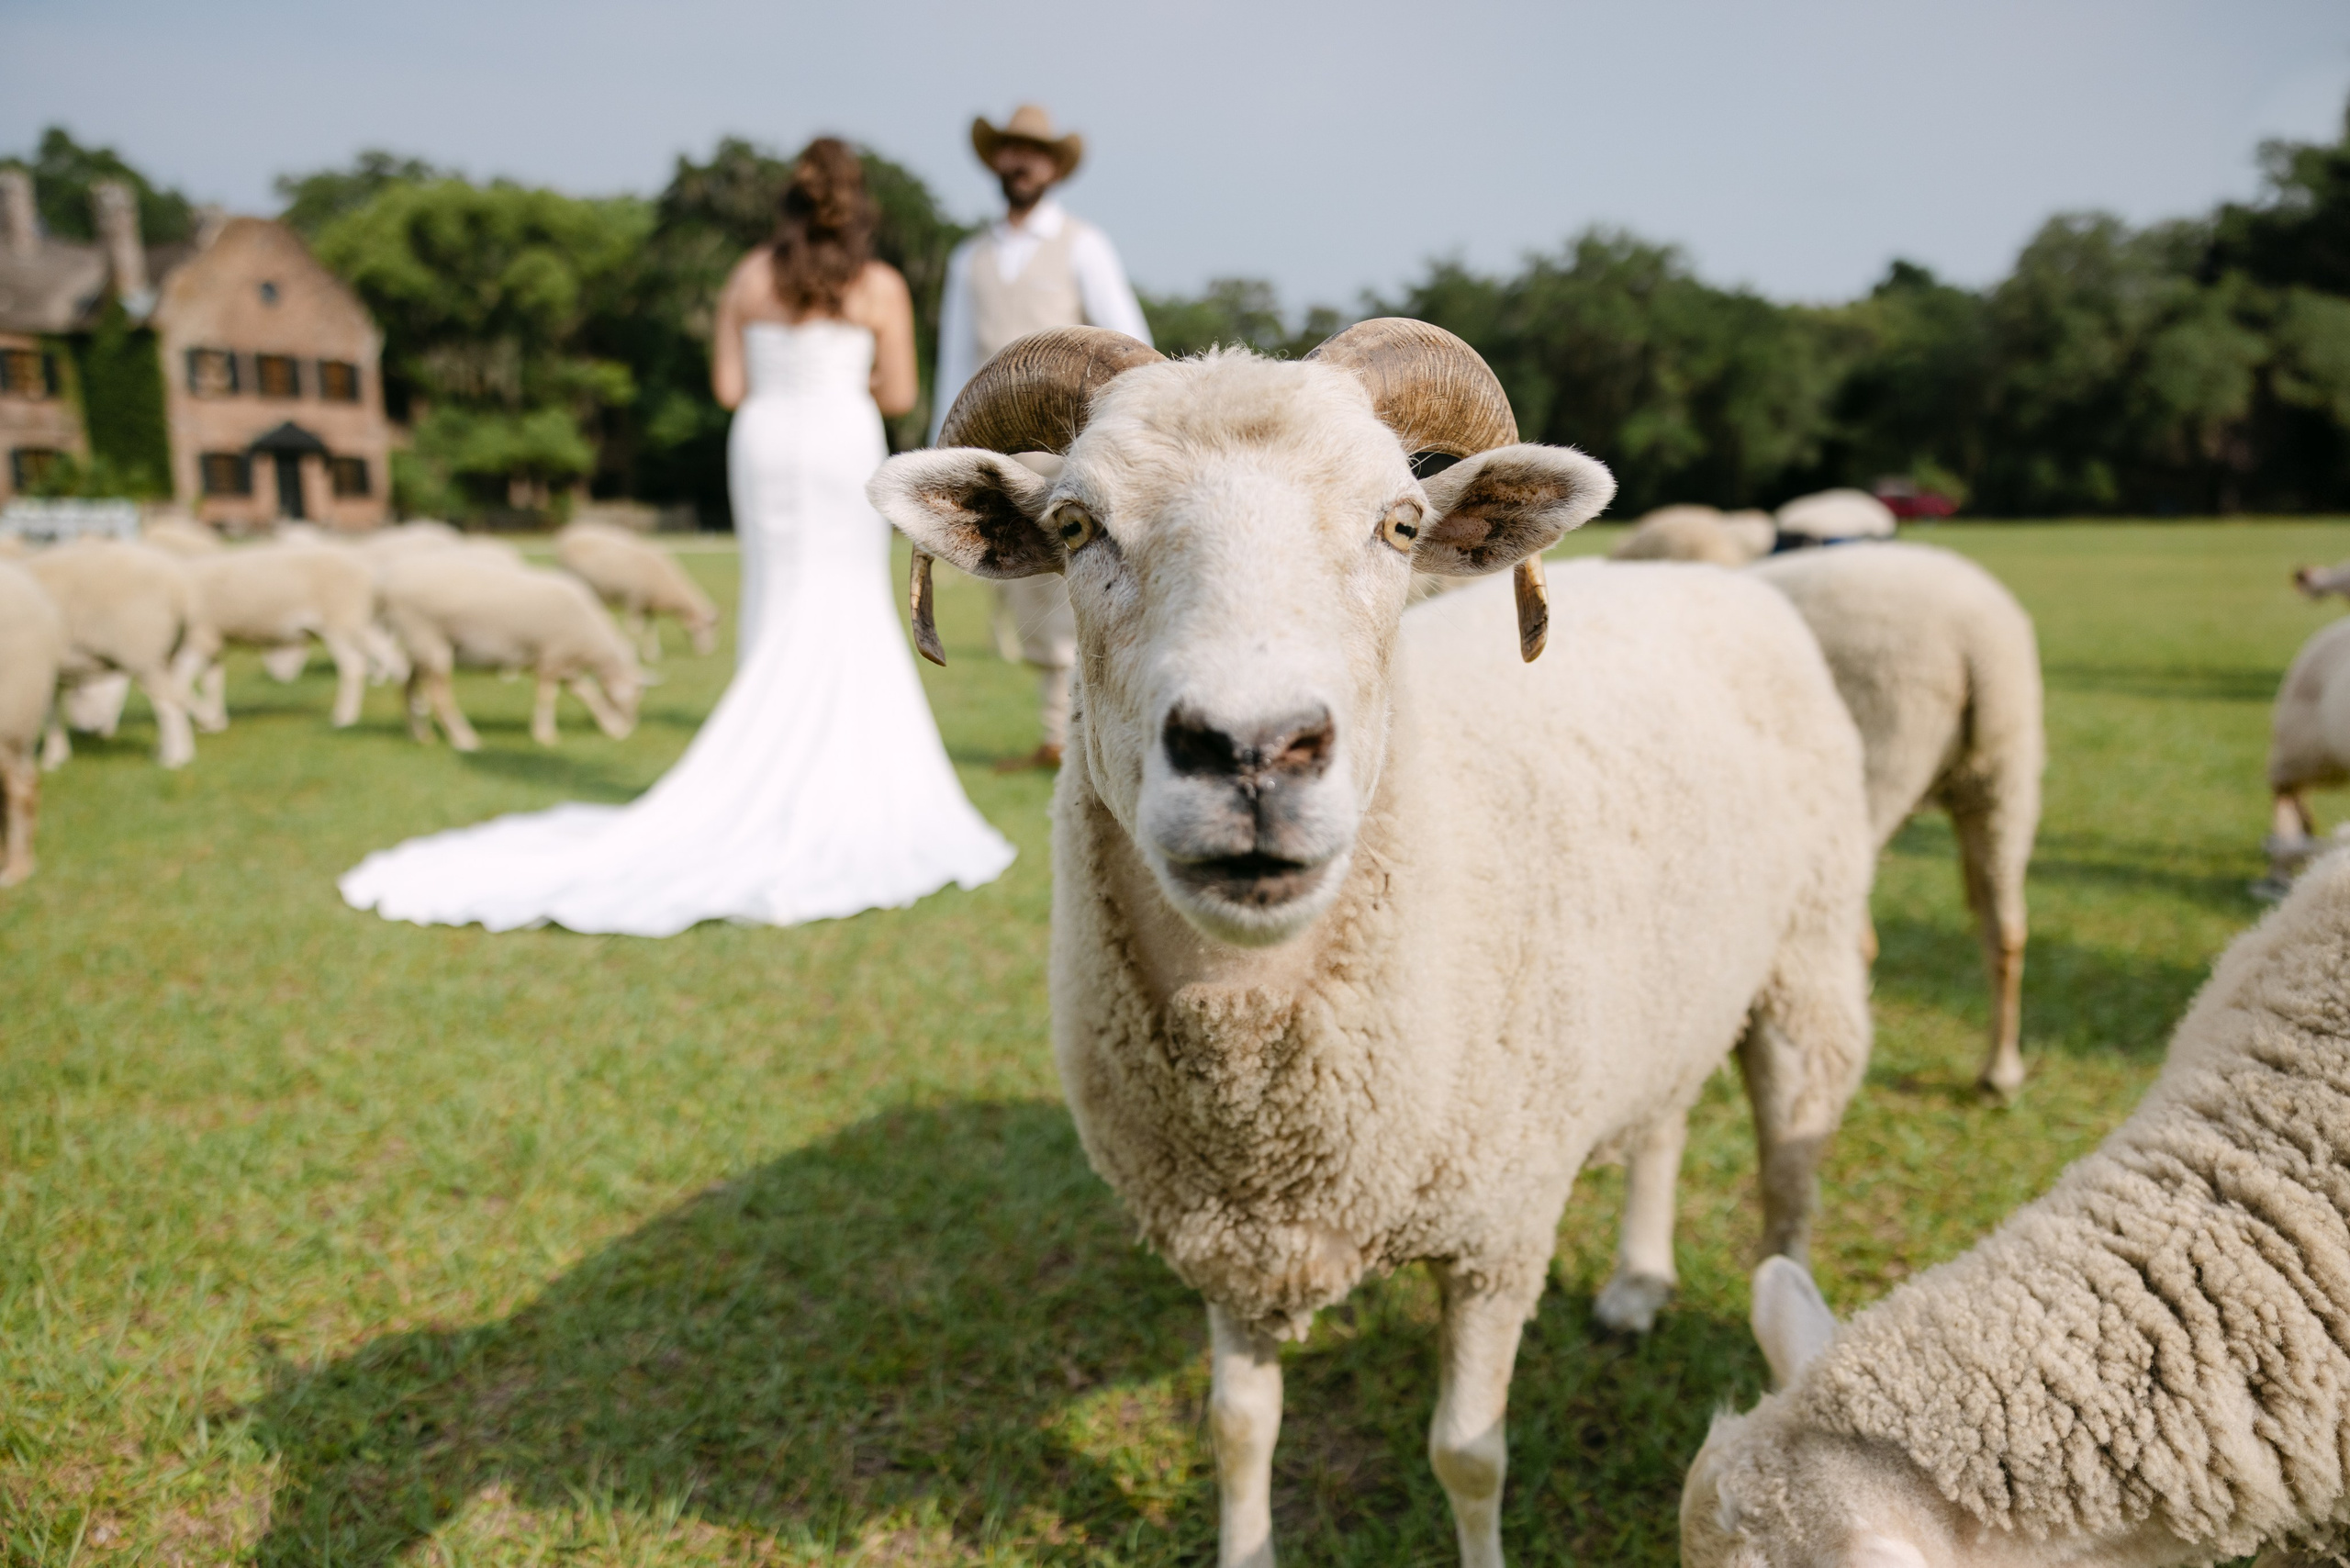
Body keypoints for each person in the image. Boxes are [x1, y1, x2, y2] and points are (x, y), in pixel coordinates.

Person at [339, 140, 1014, 935]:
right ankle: (841, 774)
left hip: (767, 442)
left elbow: (729, 387)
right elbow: (898, 388)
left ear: (787, 206)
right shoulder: (880, 286)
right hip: (840, 441)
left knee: (782, 593)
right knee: (844, 595)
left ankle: (771, 760)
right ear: (858, 206)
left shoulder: (747, 277)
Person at [933, 103, 1151, 770]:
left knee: (1091, 590)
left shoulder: (1082, 244)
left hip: (1075, 449)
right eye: (1009, 151)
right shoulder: (970, 259)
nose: (1019, 163)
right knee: (1030, 594)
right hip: (1006, 454)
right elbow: (955, 362)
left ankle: (1087, 737)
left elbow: (1127, 344)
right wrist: (945, 459)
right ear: (996, 161)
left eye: (1033, 153)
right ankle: (1059, 737)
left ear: (1053, 168)